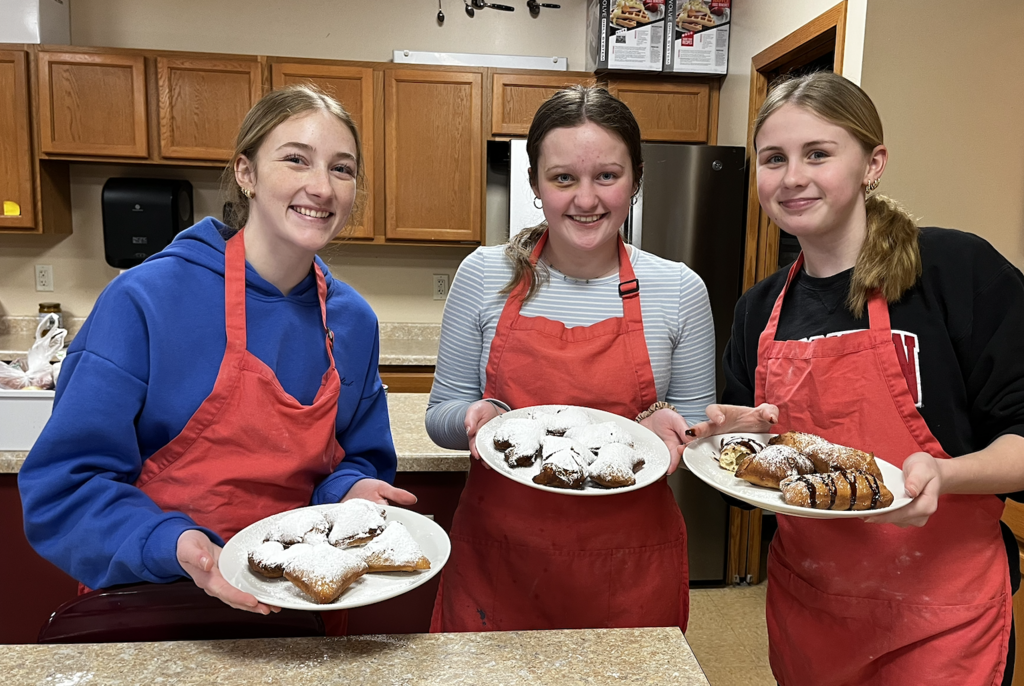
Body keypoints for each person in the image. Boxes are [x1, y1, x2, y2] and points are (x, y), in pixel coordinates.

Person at [19, 85, 415, 618]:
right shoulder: (144, 301)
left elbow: (355, 458)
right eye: (296, 159)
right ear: (246, 173)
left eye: (341, 169)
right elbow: (65, 487)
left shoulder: (353, 322)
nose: (320, 187)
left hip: (298, 603)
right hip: (154, 597)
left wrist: (354, 488)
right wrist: (173, 544)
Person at [687, 71, 1024, 685]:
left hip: (940, 622)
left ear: (874, 163)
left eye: (818, 153)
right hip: (812, 610)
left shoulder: (955, 272)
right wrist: (736, 428)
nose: (792, 177)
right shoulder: (759, 308)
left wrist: (944, 475)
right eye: (773, 159)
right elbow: (763, 450)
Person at [425, 85, 717, 633]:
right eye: (563, 178)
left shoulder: (679, 289)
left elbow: (698, 429)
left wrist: (672, 430)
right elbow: (441, 413)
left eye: (607, 175)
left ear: (636, 179)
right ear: (536, 183)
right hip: (498, 562)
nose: (586, 199)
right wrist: (476, 416)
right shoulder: (484, 276)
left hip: (629, 570)